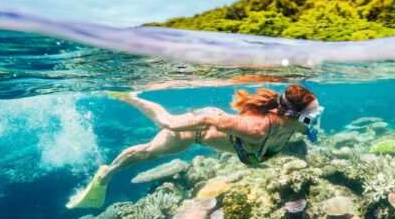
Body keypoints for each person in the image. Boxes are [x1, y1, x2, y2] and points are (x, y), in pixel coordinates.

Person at [66, 85, 323, 209]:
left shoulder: (289, 128)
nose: (316, 121)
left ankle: (135, 102)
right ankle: (106, 173)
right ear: (292, 114)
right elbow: (214, 119)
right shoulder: (257, 129)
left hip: (215, 128)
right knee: (150, 148)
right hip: (195, 131)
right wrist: (176, 125)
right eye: (312, 116)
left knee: (153, 145)